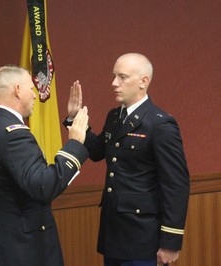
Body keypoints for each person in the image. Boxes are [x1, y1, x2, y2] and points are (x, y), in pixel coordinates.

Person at [65, 53, 190, 266]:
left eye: (122, 77)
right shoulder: (115, 117)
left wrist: (171, 242)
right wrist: (74, 119)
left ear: (144, 81)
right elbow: (96, 152)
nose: (114, 83)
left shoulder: (160, 124)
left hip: (142, 236)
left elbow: (176, 185)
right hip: (113, 232)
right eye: (114, 76)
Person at [0, 65, 90, 266]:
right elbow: (43, 187)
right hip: (21, 250)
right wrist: (73, 146)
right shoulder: (15, 135)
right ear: (18, 90)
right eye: (31, 89)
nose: (35, 95)